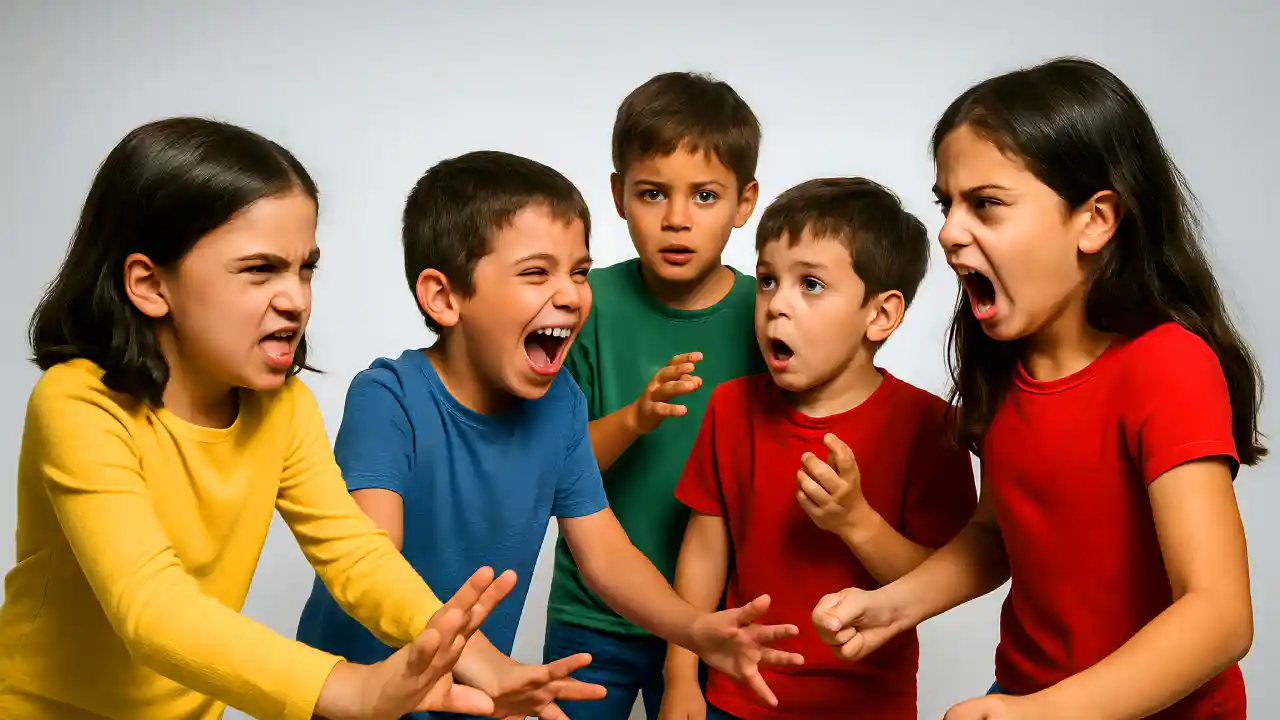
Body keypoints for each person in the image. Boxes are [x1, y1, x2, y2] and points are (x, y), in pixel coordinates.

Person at [0, 117, 598, 720]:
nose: (296, 298)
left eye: (304, 268)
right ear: (151, 284)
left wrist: (478, 657)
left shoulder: (283, 408)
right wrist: (350, 689)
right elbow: (151, 609)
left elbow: (355, 554)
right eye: (260, 270)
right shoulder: (77, 403)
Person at [812, 57, 1263, 720]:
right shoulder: (1006, 370)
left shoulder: (1167, 366)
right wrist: (892, 605)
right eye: (948, 204)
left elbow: (1220, 616)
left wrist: (1045, 713)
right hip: (1026, 695)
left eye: (985, 205)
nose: (948, 231)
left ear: (1094, 221)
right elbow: (996, 533)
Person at [294, 149, 805, 719]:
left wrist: (693, 629)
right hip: (357, 702)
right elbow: (372, 567)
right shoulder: (388, 398)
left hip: (476, 700)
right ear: (444, 298)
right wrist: (488, 664)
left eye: (579, 272)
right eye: (537, 272)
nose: (570, 294)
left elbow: (606, 555)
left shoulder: (561, 404)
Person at [663, 178, 978, 720]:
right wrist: (680, 677)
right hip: (736, 698)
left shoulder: (929, 427)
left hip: (866, 707)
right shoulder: (730, 408)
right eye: (766, 280)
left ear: (880, 315)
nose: (775, 305)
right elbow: (704, 550)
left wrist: (855, 521)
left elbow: (936, 579)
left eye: (810, 284)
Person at [542, 70, 766, 720]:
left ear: (744, 201)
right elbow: (558, 469)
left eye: (703, 196)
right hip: (594, 615)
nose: (675, 219)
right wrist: (635, 418)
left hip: (720, 620)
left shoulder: (768, 317)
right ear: (617, 194)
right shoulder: (587, 306)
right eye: (651, 193)